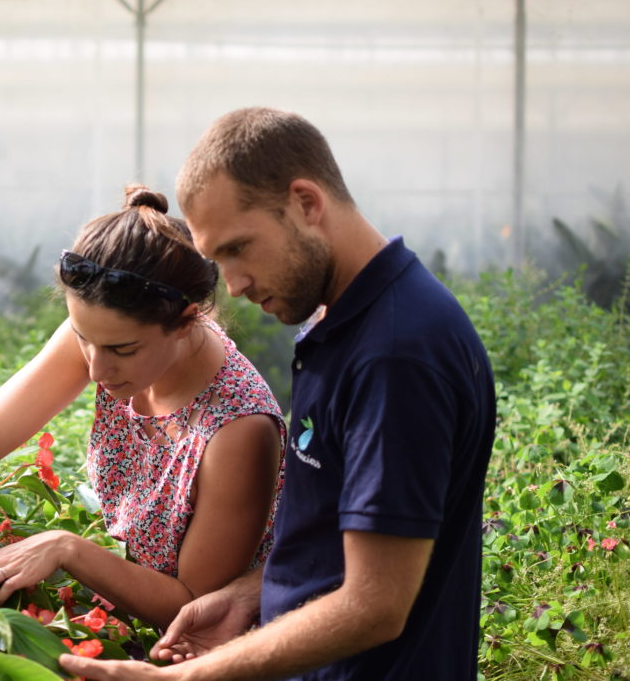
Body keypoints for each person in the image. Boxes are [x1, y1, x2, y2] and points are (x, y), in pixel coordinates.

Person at [61, 108, 496, 680]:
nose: (233, 286)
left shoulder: (395, 355)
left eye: (239, 249)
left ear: (306, 203)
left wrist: (185, 677)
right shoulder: (340, 324)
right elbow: (349, 545)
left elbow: (376, 605)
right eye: (218, 260)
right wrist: (251, 594)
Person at [0, 184, 287, 629]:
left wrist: (67, 548)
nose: (97, 369)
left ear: (185, 322)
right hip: (118, 607)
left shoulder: (237, 428)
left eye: (122, 350)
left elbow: (193, 607)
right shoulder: (103, 333)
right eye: (84, 339)